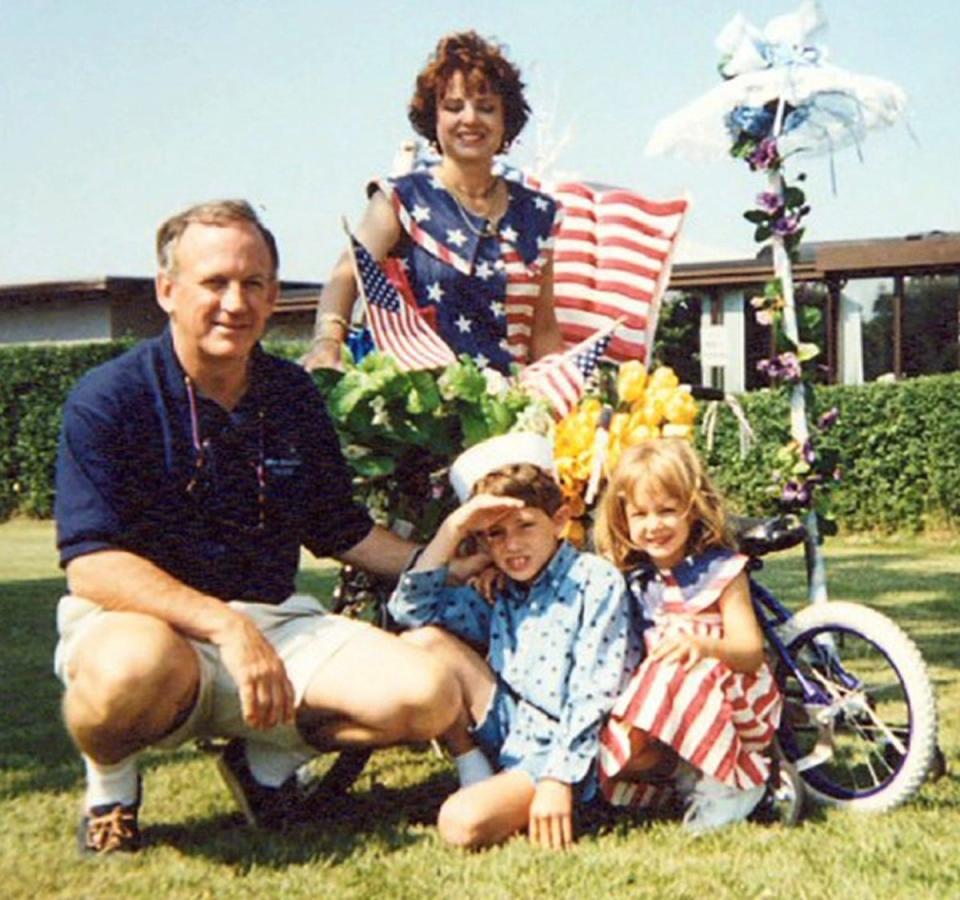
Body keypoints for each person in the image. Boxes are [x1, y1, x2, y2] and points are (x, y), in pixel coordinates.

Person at [54, 199, 468, 856]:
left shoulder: (292, 395)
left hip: (275, 625)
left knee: (428, 696)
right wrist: (224, 625)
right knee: (128, 669)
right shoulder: (111, 397)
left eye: (253, 283)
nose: (234, 302)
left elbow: (341, 530)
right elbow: (92, 563)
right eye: (213, 282)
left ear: (275, 294)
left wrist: (442, 559)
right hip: (152, 630)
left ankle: (264, 765)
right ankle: (111, 789)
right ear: (168, 290)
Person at [387, 432, 642, 850]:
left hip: (566, 749)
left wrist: (557, 781)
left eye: (526, 526)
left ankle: (543, 795)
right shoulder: (500, 588)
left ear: (560, 521)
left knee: (459, 824)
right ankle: (475, 768)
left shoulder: (593, 581)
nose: (512, 545)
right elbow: (410, 611)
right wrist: (454, 530)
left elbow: (593, 693)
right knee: (424, 642)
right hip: (511, 728)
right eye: (495, 534)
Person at [302, 30, 565, 375]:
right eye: (453, 107)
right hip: (421, 410)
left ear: (506, 120)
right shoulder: (400, 199)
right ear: (434, 118)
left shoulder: (537, 215)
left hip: (510, 410)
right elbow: (346, 274)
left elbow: (543, 330)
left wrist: (563, 388)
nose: (470, 119)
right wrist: (327, 342)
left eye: (486, 108)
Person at [593, 439, 783, 834]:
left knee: (676, 666)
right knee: (621, 747)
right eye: (640, 514)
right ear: (622, 518)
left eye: (667, 510)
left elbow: (750, 653)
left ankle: (733, 782)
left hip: (734, 693)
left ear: (692, 509)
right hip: (671, 698)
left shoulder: (723, 571)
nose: (654, 525)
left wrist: (703, 645)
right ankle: (691, 772)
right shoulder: (638, 582)